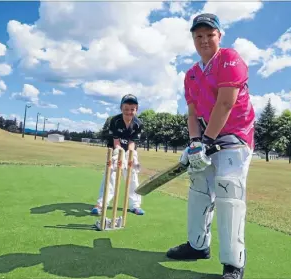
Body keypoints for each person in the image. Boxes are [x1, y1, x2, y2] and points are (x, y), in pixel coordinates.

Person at [165, 13, 255, 279]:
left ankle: (233, 262)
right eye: (198, 36)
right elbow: (192, 113)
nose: (204, 40)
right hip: (206, 138)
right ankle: (197, 245)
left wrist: (205, 142)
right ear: (193, 39)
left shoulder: (230, 59)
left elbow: (225, 104)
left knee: (228, 190)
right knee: (199, 190)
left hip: (234, 137)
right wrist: (194, 144)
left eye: (209, 34)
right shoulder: (191, 74)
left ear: (219, 36)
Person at [91, 94, 145, 216]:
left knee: (132, 176)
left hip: (129, 151)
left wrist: (130, 156)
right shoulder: (115, 121)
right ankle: (101, 204)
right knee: (110, 175)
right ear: (121, 108)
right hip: (115, 150)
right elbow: (116, 142)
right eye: (126, 108)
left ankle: (135, 205)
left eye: (132, 109)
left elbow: (132, 143)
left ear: (136, 109)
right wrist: (119, 153)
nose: (129, 112)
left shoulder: (138, 124)